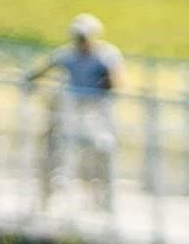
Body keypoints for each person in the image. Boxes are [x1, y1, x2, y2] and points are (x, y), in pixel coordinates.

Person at [25, 13, 124, 211]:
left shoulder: (105, 56)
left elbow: (116, 81)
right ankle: (44, 200)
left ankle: (104, 202)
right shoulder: (68, 54)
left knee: (102, 151)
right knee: (52, 150)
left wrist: (105, 83)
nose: (80, 42)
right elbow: (43, 69)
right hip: (70, 112)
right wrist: (29, 80)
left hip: (95, 113)